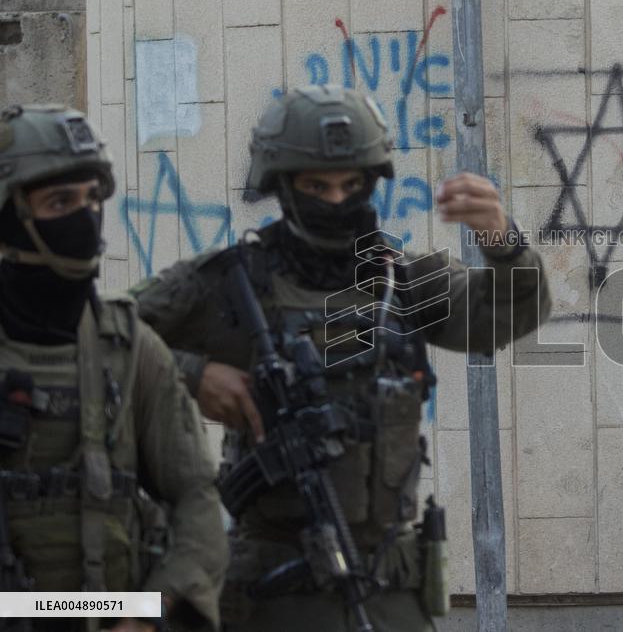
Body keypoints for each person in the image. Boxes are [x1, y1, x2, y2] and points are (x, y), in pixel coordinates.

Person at [130, 85, 551, 631]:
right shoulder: (232, 284)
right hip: (273, 588)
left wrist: (501, 238)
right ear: (282, 185)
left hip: (388, 587)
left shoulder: (400, 281)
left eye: (350, 185)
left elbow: (509, 315)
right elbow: (97, 335)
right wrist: (192, 374)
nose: (334, 201)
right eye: (315, 185)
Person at [0, 104, 227, 631]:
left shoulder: (131, 351)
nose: (86, 218)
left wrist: (149, 615)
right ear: (12, 216)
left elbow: (197, 502)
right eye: (61, 201)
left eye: (92, 200)